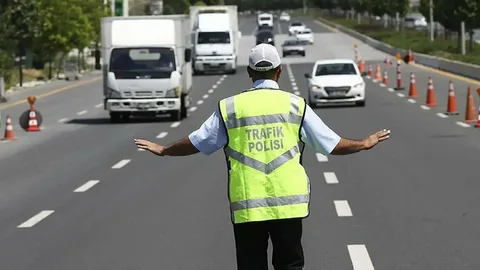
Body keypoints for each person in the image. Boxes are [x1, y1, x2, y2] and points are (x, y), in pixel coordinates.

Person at [134, 43, 391, 270]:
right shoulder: (295, 105)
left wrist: (164, 149)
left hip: (248, 205)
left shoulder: (231, 107)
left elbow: (199, 142)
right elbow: (331, 144)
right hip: (289, 205)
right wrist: (364, 143)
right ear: (279, 72)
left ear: (249, 73)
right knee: (289, 264)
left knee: (251, 264)